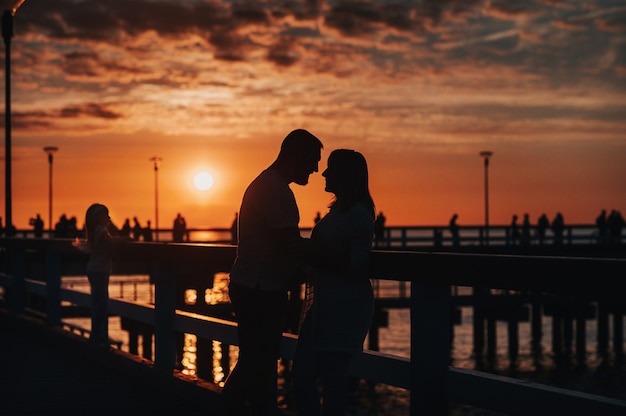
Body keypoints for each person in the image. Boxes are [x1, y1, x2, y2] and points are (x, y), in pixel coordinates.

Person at [221, 129, 323, 416]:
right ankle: (229, 409)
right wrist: (329, 255)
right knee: (258, 361)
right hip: (261, 288)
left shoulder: (265, 184)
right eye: (312, 160)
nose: (315, 168)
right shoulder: (275, 190)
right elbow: (290, 244)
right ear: (295, 155)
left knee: (258, 361)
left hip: (252, 284)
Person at [292, 149, 375, 416]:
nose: (324, 173)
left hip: (343, 305)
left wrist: (316, 255)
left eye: (330, 168)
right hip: (325, 301)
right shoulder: (340, 210)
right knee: (305, 372)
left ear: (345, 175)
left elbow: (358, 263)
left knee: (332, 377)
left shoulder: (359, 214)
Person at [85, 203, 114, 347]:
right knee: (101, 305)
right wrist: (125, 239)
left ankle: (97, 335)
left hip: (95, 269)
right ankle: (98, 336)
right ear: (99, 217)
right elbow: (109, 242)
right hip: (100, 270)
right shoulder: (101, 229)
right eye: (106, 215)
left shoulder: (93, 230)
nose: (109, 218)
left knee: (97, 303)